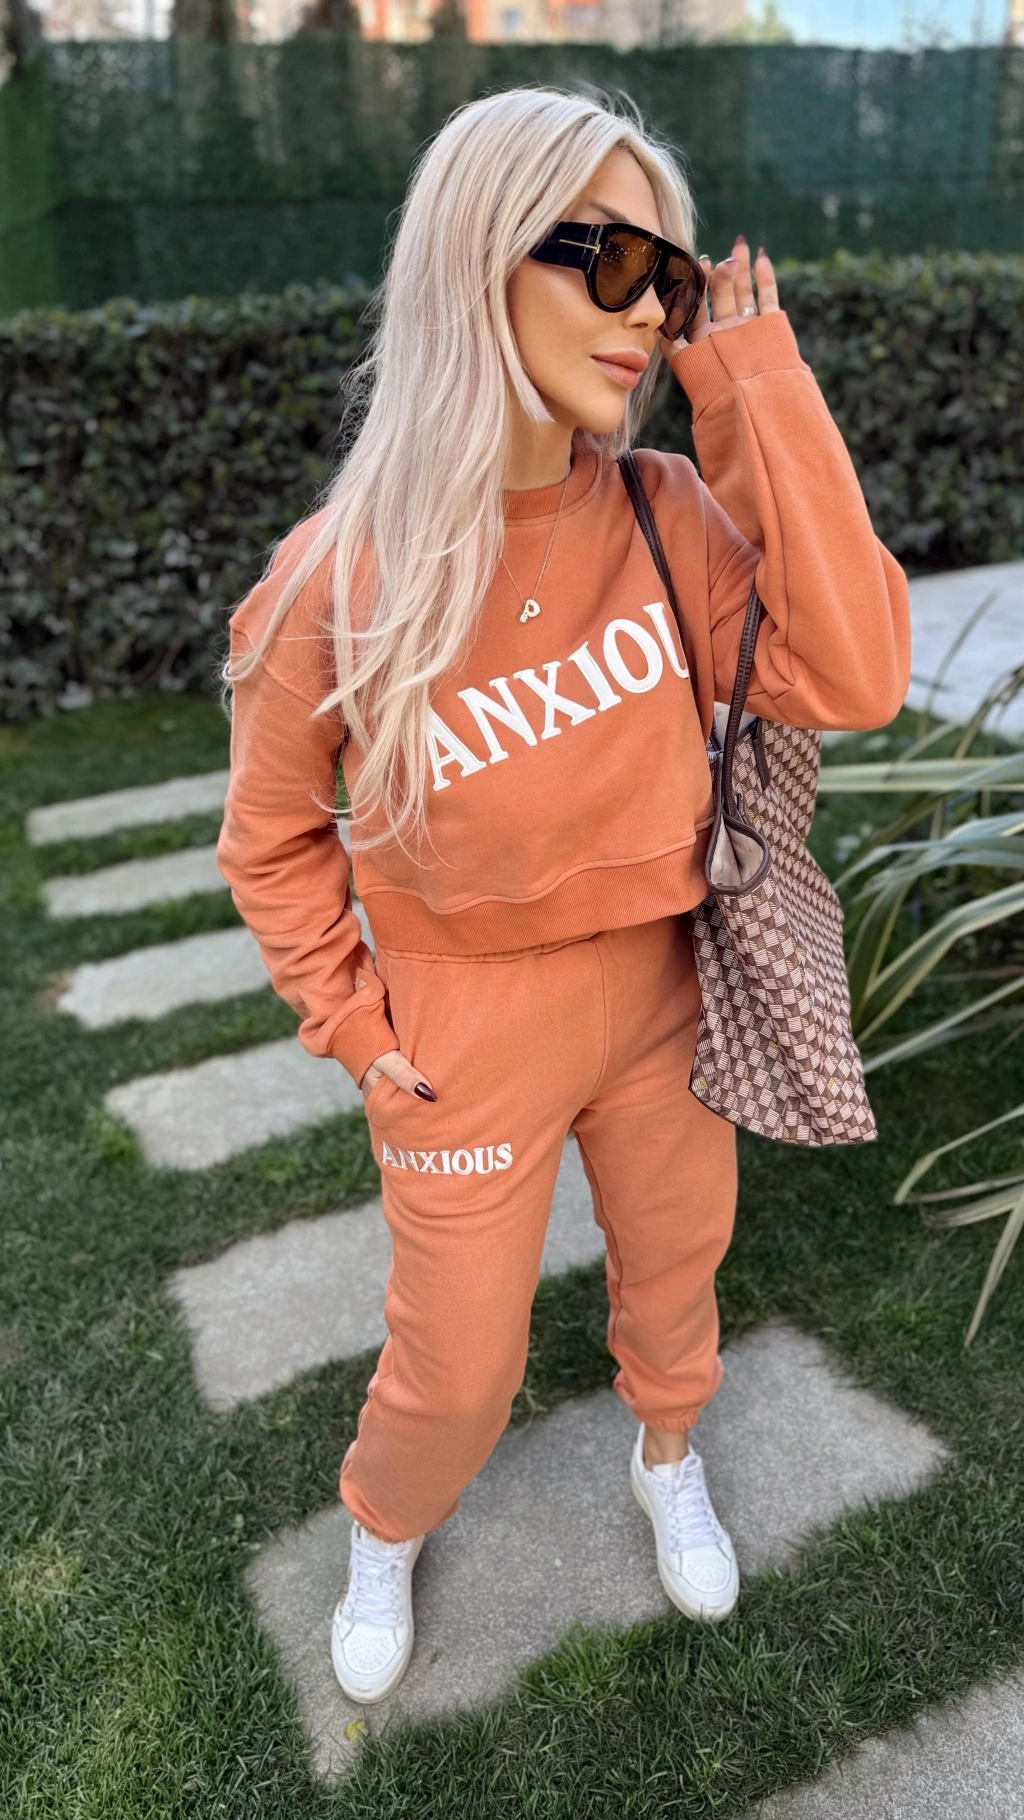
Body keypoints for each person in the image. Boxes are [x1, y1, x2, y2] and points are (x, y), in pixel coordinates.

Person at [217, 87, 910, 1706]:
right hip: (464, 1025)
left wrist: (753, 378)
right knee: (460, 1363)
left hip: (664, 987)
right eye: (609, 261)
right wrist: (357, 1028)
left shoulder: (669, 518)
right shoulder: (338, 575)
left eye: (670, 278)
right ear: (481, 259)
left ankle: (668, 1454)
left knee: (678, 1269)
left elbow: (859, 670)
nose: (649, 313)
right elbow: (271, 839)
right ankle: (386, 1520)